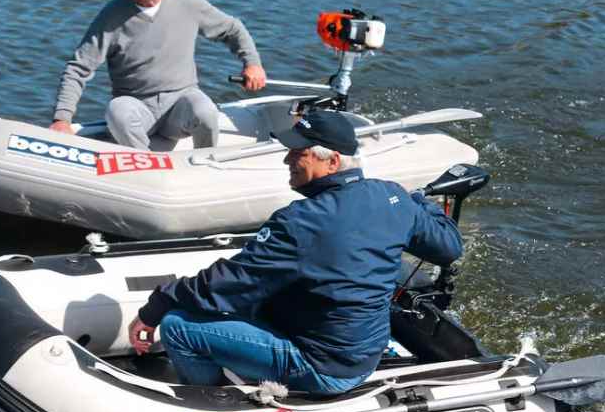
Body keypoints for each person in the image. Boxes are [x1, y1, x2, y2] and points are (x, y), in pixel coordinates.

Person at [127, 110, 463, 394]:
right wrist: (418, 201)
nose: (287, 158)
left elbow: (232, 281)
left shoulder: (301, 221)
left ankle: (213, 401)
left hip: (322, 366)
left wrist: (158, 304)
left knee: (177, 326)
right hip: (362, 352)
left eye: (298, 153)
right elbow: (448, 247)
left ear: (332, 161)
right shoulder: (392, 196)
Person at [48, 0, 267, 150]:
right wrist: (62, 119)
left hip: (180, 102)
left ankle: (205, 160)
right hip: (137, 106)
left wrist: (252, 63)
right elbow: (78, 68)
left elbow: (233, 29)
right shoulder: (112, 16)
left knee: (206, 111)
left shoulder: (187, 3)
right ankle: (144, 165)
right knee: (118, 111)